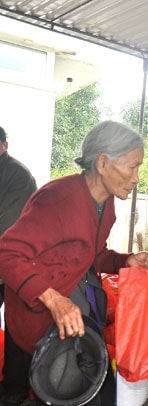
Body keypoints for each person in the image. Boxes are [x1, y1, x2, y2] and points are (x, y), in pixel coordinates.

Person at [0, 121, 148, 406]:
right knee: (62, 392)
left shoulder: (106, 202)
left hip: (77, 308)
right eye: (132, 166)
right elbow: (7, 253)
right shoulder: (58, 198)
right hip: (41, 315)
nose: (136, 178)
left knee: (91, 391)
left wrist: (125, 261)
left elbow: (91, 253)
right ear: (103, 162)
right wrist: (53, 299)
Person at [0, 126, 37, 405]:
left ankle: (14, 390)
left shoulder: (16, 175)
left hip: (14, 262)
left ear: (4, 145)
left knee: (16, 326)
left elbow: (8, 227)